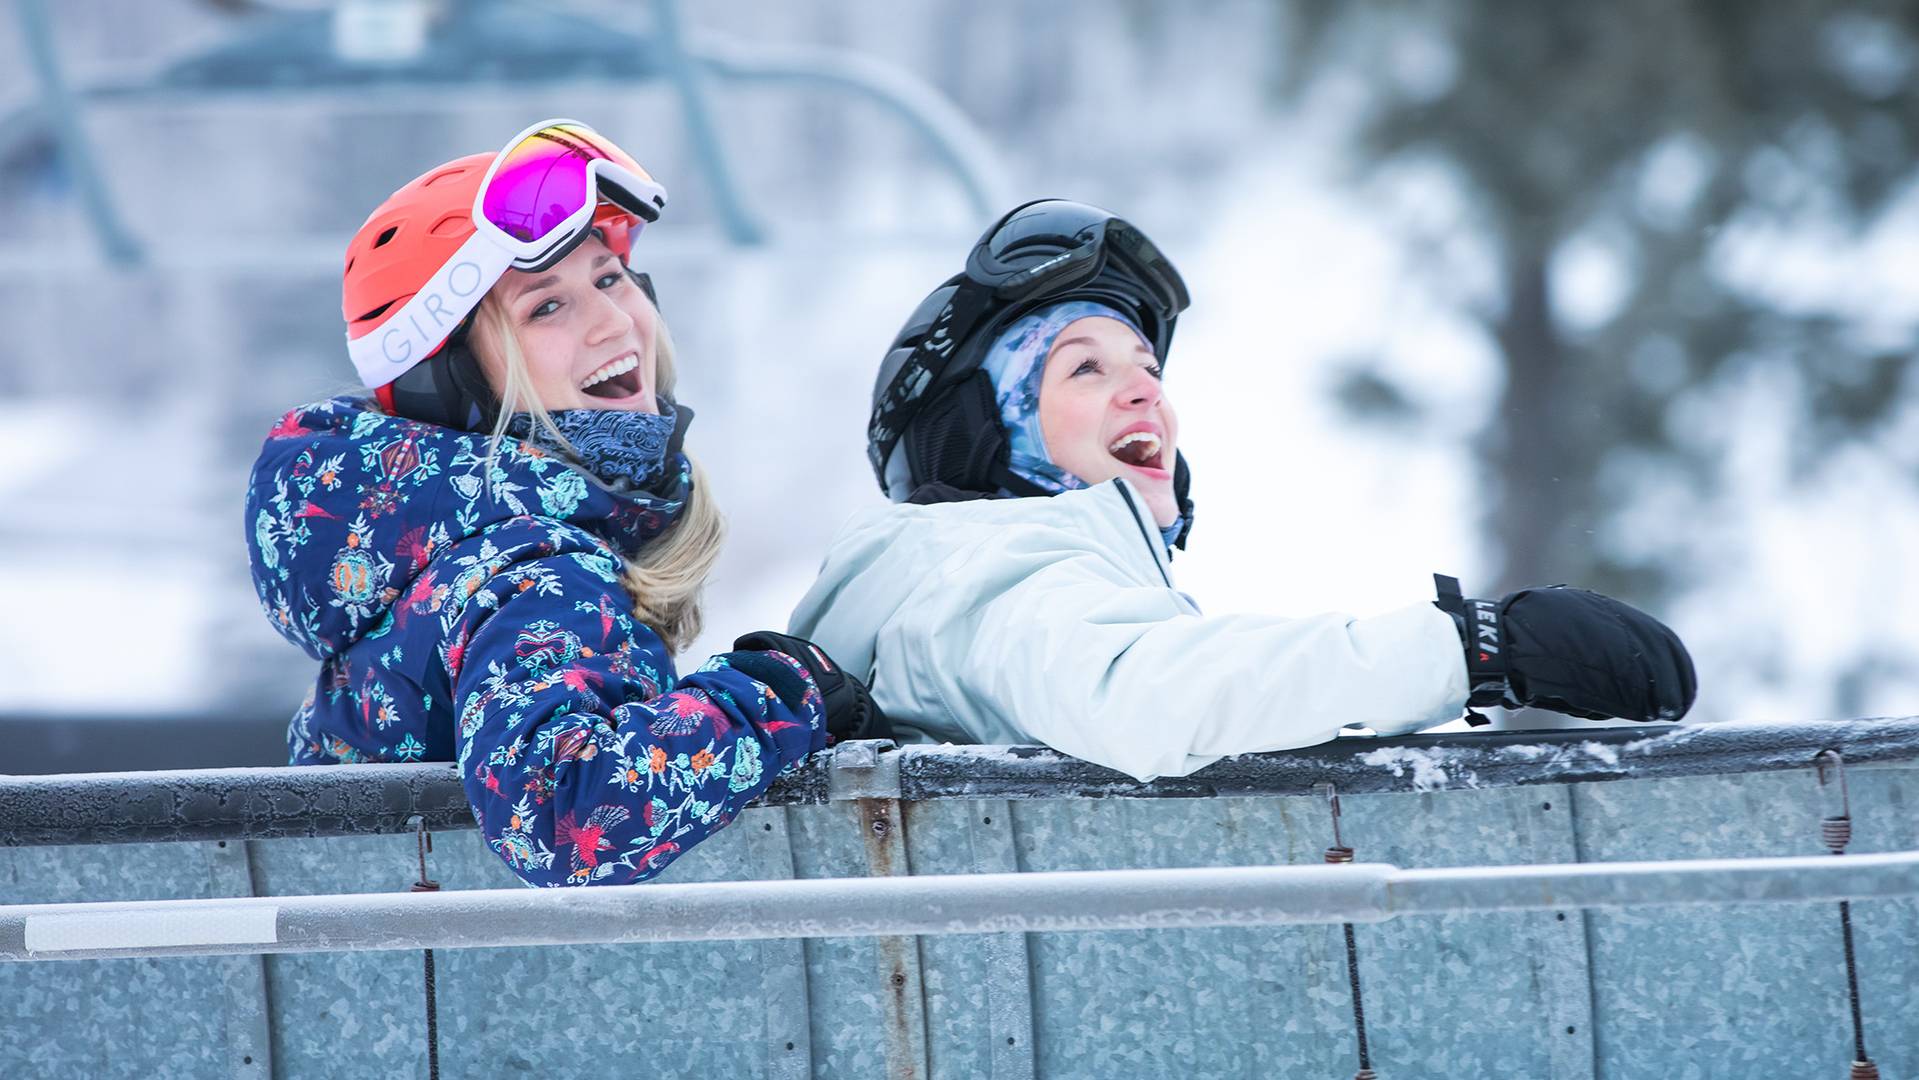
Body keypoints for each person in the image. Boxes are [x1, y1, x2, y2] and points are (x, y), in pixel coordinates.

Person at [789, 198, 1695, 782]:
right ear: (981, 435)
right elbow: (1146, 692)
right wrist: (1472, 647)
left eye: (1146, 366)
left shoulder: (967, 596)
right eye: (1083, 370)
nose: (1145, 389)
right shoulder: (974, 578)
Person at [245, 119, 882, 887]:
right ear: (455, 384)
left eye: (609, 278)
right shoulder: (530, 570)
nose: (615, 322)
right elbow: (565, 812)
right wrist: (779, 694)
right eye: (546, 307)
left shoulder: (456, 563)